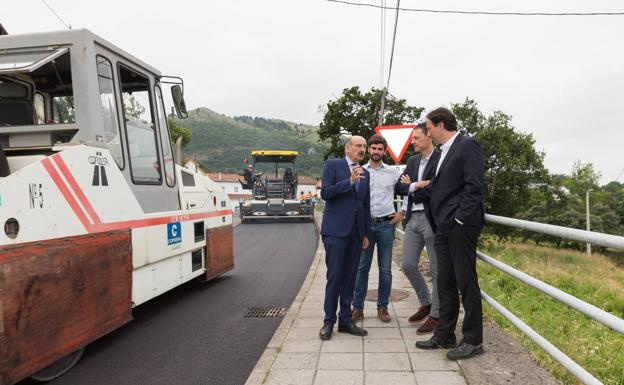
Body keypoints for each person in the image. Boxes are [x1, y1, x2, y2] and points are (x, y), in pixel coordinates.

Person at [415, 107, 486, 360]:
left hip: (460, 226)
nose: (427, 131)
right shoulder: (443, 153)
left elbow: (474, 186)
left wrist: (458, 219)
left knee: (466, 282)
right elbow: (437, 188)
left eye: (429, 126)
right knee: (445, 283)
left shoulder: (467, 145)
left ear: (441, 125)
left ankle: (474, 340)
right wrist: (410, 188)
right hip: (443, 227)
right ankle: (445, 334)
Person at [319, 135, 371, 340]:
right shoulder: (333, 166)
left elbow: (365, 205)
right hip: (335, 231)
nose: (363, 149)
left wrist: (365, 233)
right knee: (335, 276)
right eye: (359, 146)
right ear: (347, 148)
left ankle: (346, 320)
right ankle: (328, 321)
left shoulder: (365, 173)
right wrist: (349, 181)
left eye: (364, 146)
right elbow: (326, 193)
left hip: (356, 234)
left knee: (350, 278)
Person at [395, 122, 441, 334]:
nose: (412, 142)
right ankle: (427, 302)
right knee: (408, 264)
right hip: (412, 219)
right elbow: (399, 187)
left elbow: (436, 189)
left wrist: (413, 188)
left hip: (432, 219)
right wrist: (415, 185)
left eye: (415, 138)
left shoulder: (441, 158)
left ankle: (437, 315)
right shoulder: (412, 161)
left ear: (428, 137)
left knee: (436, 268)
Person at [351, 134, 402, 323]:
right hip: (365, 226)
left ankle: (383, 307)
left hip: (386, 225)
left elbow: (405, 191)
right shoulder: (359, 171)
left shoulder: (393, 172)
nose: (376, 152)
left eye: (380, 149)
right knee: (361, 268)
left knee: (385, 269)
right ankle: (357, 308)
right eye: (373, 148)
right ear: (369, 149)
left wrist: (402, 213)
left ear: (384, 151)